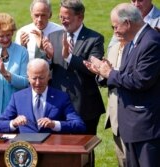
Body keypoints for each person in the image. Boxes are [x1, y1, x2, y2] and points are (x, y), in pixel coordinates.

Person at [84, 3, 160, 167]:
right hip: (130, 127)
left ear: (127, 23)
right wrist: (103, 72)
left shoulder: (151, 42)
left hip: (146, 128)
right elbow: (124, 75)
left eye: (115, 26)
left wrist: (109, 73)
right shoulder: (129, 43)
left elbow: (141, 80)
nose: (114, 31)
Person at [44, 0, 105, 166]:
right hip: (57, 104)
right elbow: (48, 70)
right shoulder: (54, 36)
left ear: (80, 17)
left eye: (67, 17)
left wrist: (69, 57)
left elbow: (93, 69)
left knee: (84, 152)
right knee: (57, 151)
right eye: (60, 17)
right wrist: (48, 57)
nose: (62, 20)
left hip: (85, 106)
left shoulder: (95, 38)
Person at [0, 58, 86, 133]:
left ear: (49, 76)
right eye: (34, 78)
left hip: (52, 149)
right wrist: (13, 123)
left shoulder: (61, 97)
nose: (38, 83)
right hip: (26, 150)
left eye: (41, 78)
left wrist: (54, 124)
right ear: (28, 77)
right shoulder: (18, 98)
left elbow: (79, 125)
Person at [99, 37, 129, 166]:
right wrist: (100, 72)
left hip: (133, 114)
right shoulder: (114, 47)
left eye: (118, 26)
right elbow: (106, 77)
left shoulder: (139, 49)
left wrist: (110, 73)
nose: (115, 31)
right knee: (121, 159)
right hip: (115, 114)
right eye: (113, 27)